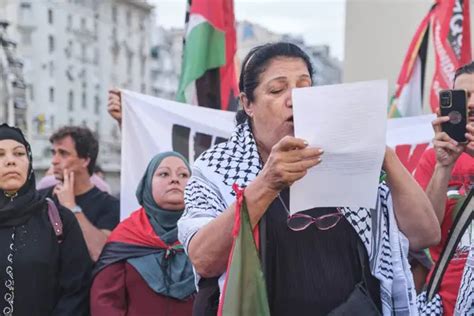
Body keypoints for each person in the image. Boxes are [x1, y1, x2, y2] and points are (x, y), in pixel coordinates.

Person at [178, 42, 440, 316]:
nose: (293, 98)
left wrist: (382, 152)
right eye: (277, 90)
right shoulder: (217, 168)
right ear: (248, 103)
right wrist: (266, 183)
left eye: (304, 87)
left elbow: (425, 234)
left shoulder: (343, 155)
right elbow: (204, 260)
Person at [0, 123, 92, 315]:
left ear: (29, 160)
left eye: (18, 153)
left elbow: (77, 290)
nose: (10, 161)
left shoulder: (58, 219)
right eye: (0, 155)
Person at [90, 151, 195, 315]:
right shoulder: (126, 235)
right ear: (147, 184)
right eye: (164, 174)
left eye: (183, 174)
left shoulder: (207, 232)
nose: (175, 179)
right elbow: (106, 301)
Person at [414, 61, 474, 316]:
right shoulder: (434, 158)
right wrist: (443, 166)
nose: (470, 104)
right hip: (448, 305)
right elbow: (423, 233)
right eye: (465, 96)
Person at [39, 126, 120, 261]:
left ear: (85, 160)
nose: (54, 161)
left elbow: (99, 252)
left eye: (63, 153)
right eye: (54, 153)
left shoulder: (109, 205)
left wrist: (71, 207)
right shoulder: (40, 198)